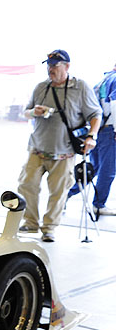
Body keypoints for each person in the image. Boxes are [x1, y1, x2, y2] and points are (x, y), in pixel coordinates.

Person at [17, 49, 101, 242]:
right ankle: (30, 223)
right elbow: (26, 112)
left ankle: (49, 228)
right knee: (26, 184)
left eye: (55, 65)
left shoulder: (80, 88)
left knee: (58, 192)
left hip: (64, 152)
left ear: (67, 67)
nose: (50, 69)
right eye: (49, 65)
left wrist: (91, 136)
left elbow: (95, 114)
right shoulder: (40, 87)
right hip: (37, 148)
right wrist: (34, 112)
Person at [66, 63, 116, 220]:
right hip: (110, 131)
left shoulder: (105, 79)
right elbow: (114, 104)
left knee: (93, 168)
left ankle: (65, 195)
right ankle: (99, 205)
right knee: (107, 171)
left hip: (100, 130)